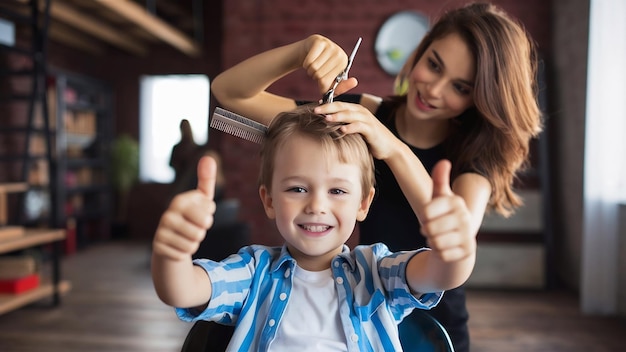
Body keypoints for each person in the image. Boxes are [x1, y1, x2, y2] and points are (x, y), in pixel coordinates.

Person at [209, 3, 543, 350]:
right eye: (433, 64)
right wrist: (300, 52)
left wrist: (394, 149)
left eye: (459, 87)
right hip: (363, 312)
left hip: (430, 329)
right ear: (421, 49)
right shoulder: (364, 114)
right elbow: (229, 92)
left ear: (479, 98)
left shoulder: (474, 160)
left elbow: (456, 239)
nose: (434, 89)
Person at [151, 105, 477, 351]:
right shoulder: (253, 273)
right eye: (297, 189)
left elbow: (443, 274)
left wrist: (456, 250)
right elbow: (182, 290)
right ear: (269, 200)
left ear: (363, 204)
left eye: (337, 191)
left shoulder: (377, 272)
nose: (317, 206)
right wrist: (172, 256)